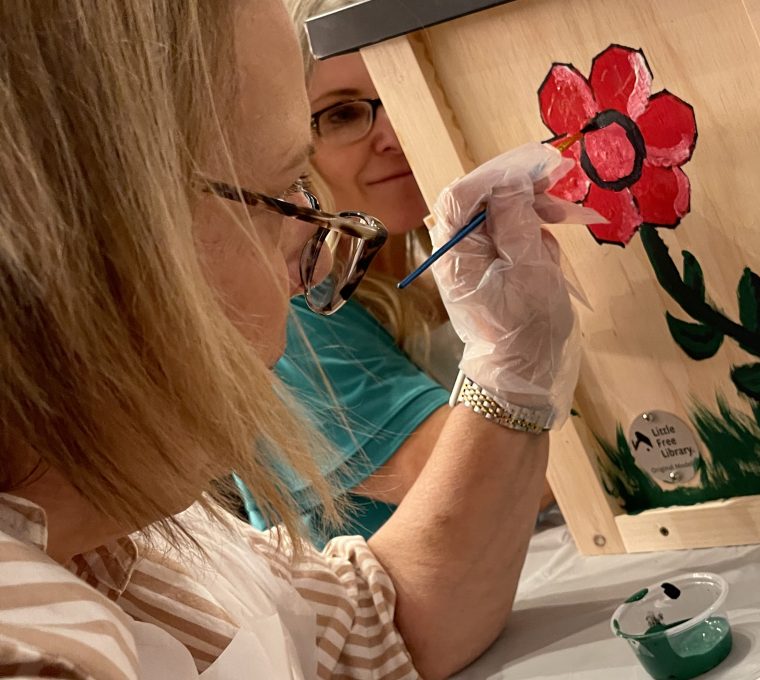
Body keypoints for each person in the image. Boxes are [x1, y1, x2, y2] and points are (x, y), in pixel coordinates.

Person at [0, 0, 590, 678]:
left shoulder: (130, 539)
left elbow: (375, 625)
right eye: (284, 193)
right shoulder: (34, 653)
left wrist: (507, 370)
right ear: (100, 238)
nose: (304, 245)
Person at [236, 0, 553, 542]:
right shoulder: (293, 307)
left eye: (402, 94)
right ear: (288, 145)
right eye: (342, 113)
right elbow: (477, 480)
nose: (393, 135)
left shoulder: (421, 273)